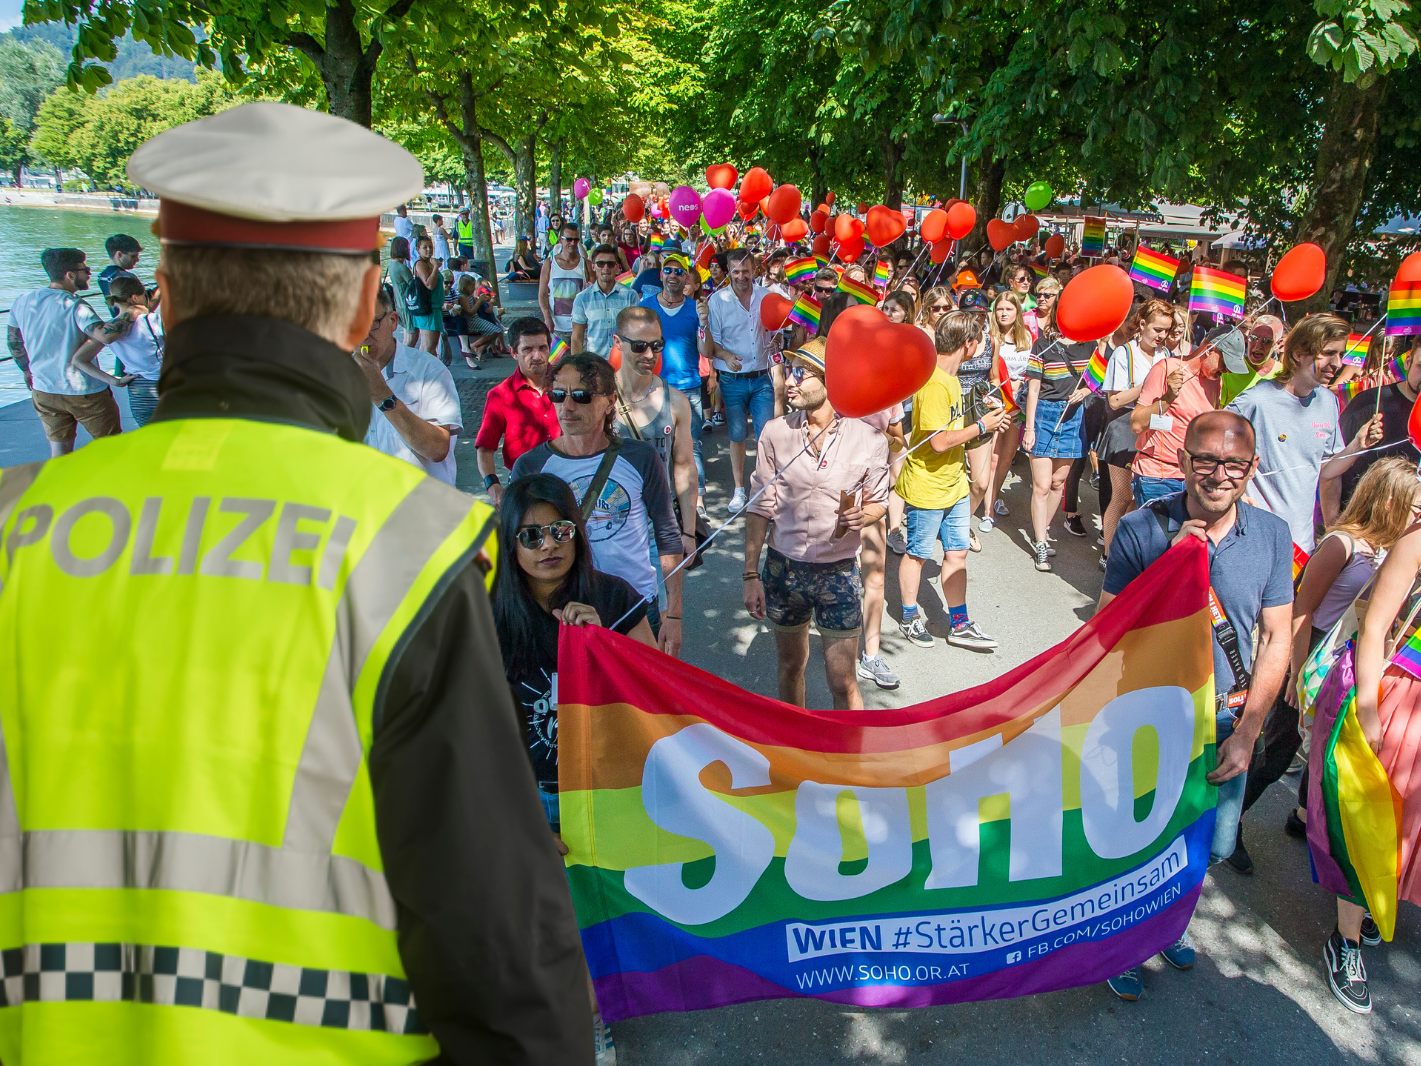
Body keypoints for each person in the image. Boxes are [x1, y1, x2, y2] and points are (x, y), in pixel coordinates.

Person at [0, 102, 592, 1063]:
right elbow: (495, 936)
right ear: (363, 310)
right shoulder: (409, 544)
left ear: (167, 293)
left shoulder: (16, 522)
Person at [1099, 410, 1293, 1003]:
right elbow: (1108, 632)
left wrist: (1250, 730)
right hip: (1151, 717)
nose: (1218, 474)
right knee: (1144, 840)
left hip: (1227, 721)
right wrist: (1170, 568)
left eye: (1234, 464)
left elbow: (1277, 636)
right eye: (1205, 459)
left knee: (1213, 844)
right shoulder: (1141, 529)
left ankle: (1166, 923)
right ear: (1182, 460)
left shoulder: (1271, 534)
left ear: (1252, 468)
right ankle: (1127, 940)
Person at [491, 472, 653, 1062]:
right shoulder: (489, 615)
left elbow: (659, 694)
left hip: (609, 791)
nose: (548, 545)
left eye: (559, 529)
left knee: (599, 914)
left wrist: (610, 649)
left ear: (578, 534)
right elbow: (473, 726)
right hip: (531, 796)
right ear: (510, 543)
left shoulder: (610, 595)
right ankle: (578, 1016)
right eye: (530, 536)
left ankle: (593, 1015)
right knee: (547, 923)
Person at [1229, 457, 1421, 876]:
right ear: (1389, 500)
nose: (1418, 517)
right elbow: (1302, 610)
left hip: (1346, 663)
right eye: (1414, 506)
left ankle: (1303, 815)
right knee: (1276, 750)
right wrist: (1295, 672)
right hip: (1309, 653)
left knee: (1324, 747)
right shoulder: (1342, 544)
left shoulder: (1390, 552)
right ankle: (1230, 824)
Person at [1310, 508, 1421, 1014]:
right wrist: (1371, 710)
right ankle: (1346, 941)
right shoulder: (1417, 538)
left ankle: (1380, 899)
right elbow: (1374, 625)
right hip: (1405, 697)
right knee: (1372, 818)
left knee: (1410, 828)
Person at [744, 339, 890, 709]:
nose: (788, 381)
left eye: (800, 373)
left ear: (832, 381)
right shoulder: (775, 432)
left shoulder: (869, 439)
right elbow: (761, 506)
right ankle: (798, 750)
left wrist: (864, 515)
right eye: (788, 370)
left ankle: (850, 759)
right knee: (791, 666)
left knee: (842, 681)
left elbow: (878, 503)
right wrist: (750, 574)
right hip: (784, 568)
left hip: (838, 571)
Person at [512, 353, 685, 656]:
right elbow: (516, 544)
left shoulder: (641, 457)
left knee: (641, 699)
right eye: (558, 395)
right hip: (560, 613)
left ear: (609, 401)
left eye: (581, 395)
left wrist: (674, 614)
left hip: (635, 610)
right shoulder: (531, 465)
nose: (567, 407)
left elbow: (667, 533)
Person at [895, 310, 1007, 651]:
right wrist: (984, 426)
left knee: (957, 554)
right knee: (917, 554)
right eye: (979, 342)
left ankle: (959, 623)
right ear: (968, 345)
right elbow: (939, 441)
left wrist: (979, 413)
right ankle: (909, 616)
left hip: (955, 483)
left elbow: (953, 430)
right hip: (928, 487)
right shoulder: (934, 384)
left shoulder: (953, 381)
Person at [1227, 314, 1383, 554]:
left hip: (1300, 543)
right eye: (1329, 353)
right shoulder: (1257, 400)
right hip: (1251, 538)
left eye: (1340, 354)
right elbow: (1211, 447)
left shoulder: (1328, 402)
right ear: (1299, 353)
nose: (1337, 363)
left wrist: (1357, 445)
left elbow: (1326, 471)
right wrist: (1235, 495)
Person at [7, 246, 130, 457]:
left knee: (59, 449)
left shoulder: (23, 300)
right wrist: (129, 313)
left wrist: (27, 370)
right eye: (85, 269)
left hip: (44, 389)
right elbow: (105, 335)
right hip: (85, 392)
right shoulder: (74, 306)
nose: (90, 273)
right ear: (70, 275)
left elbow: (14, 342)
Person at [1128, 324, 1247, 508]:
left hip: (1193, 477)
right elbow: (1136, 424)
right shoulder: (1166, 368)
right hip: (1158, 477)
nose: (1226, 371)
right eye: (1225, 364)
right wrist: (1168, 398)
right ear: (1209, 350)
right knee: (1158, 536)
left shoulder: (1216, 382)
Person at [610, 305, 698, 551]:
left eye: (657, 345)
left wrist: (689, 534)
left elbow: (684, 468)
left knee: (668, 592)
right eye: (639, 346)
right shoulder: (598, 399)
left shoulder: (677, 402)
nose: (649, 354)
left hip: (659, 530)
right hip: (608, 529)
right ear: (617, 342)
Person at [355, 283, 462, 484]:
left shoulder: (429, 371)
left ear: (393, 321)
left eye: (371, 323)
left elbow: (436, 449)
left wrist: (382, 395)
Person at [1021, 299, 1093, 572]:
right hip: (1044, 414)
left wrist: (1085, 391)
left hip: (1074, 417)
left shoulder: (1092, 348)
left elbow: (1097, 380)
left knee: (1057, 482)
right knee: (1040, 484)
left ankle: (1045, 528)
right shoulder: (1043, 345)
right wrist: (1029, 428)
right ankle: (1040, 542)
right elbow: (1034, 390)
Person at [1098, 299, 1172, 556]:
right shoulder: (1124, 353)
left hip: (1155, 430)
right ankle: (1108, 553)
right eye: (1157, 330)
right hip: (1124, 428)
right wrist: (1149, 384)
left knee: (1139, 497)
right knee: (1121, 495)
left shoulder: (1166, 356)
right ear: (1142, 325)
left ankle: (1125, 549)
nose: (1162, 336)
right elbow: (1115, 400)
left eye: (1167, 331)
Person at [707, 247, 773, 512]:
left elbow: (777, 329)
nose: (741, 276)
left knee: (765, 435)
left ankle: (764, 487)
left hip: (762, 377)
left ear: (754, 270)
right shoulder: (717, 301)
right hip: (732, 379)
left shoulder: (767, 297)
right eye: (735, 271)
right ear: (729, 272)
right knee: (736, 435)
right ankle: (738, 489)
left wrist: (777, 340)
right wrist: (725, 355)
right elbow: (713, 343)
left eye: (745, 270)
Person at [642, 252, 708, 503]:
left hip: (688, 387)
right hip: (653, 387)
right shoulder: (646, 306)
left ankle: (697, 499)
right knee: (655, 447)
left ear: (687, 278)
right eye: (668, 270)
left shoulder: (696, 309)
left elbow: (705, 350)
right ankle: (660, 499)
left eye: (679, 272)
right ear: (660, 275)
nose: (673, 275)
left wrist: (705, 324)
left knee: (692, 446)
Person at [475, 317, 562, 505]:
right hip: (524, 489)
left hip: (569, 482)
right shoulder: (500, 395)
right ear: (513, 352)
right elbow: (485, 449)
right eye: (527, 350)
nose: (537, 356)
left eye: (542, 348)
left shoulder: (568, 386)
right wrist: (493, 487)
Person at [1333, 334, 1421, 508]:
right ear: (1408, 362)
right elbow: (1331, 470)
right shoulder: (1369, 403)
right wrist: (1331, 522)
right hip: (1361, 519)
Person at [72, 274, 163, 426]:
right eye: (145, 296)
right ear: (134, 297)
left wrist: (115, 381)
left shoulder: (105, 331)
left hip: (138, 390)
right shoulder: (156, 320)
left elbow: (79, 360)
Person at [983, 290, 1031, 527]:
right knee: (992, 457)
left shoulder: (1027, 339)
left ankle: (994, 494)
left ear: (1017, 312)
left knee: (1007, 457)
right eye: (999, 309)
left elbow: (1032, 374)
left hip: (1018, 407)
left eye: (1008, 309)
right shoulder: (989, 337)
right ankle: (987, 508)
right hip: (995, 405)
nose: (1003, 313)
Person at [570, 244, 639, 358]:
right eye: (600, 264)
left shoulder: (630, 295)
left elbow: (636, 333)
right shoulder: (582, 298)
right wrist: (577, 369)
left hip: (623, 365)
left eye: (610, 264)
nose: (605, 268)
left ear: (617, 267)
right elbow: (577, 338)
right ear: (593, 266)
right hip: (594, 365)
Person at [1219, 314, 1284, 405]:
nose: (1257, 346)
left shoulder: (1284, 375)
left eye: (1266, 341)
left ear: (1278, 343)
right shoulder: (1229, 369)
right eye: (1253, 338)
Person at [539, 219, 588, 342]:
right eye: (569, 239)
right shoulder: (549, 263)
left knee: (578, 361)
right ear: (561, 240)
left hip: (580, 327)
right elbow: (542, 293)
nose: (572, 243)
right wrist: (547, 317)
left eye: (576, 240)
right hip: (556, 328)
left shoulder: (585, 264)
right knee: (557, 361)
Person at [408, 234, 445, 355]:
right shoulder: (420, 264)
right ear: (418, 249)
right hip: (429, 309)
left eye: (430, 246)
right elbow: (429, 284)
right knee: (430, 347)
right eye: (425, 247)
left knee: (427, 346)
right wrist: (435, 268)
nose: (429, 249)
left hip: (435, 308)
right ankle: (428, 372)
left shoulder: (429, 262)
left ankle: (425, 371)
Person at [96, 232, 142, 301]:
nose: (137, 259)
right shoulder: (128, 277)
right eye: (133, 256)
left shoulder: (102, 277)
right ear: (119, 254)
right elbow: (146, 307)